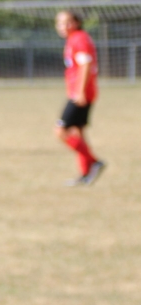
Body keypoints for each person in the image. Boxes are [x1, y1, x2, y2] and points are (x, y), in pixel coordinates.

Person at [55, 10, 105, 185]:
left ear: (77, 22)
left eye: (67, 22)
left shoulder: (79, 39)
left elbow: (85, 65)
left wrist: (80, 91)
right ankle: (85, 174)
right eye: (60, 23)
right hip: (80, 92)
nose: (63, 26)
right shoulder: (74, 39)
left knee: (61, 131)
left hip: (80, 94)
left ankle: (94, 162)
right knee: (78, 133)